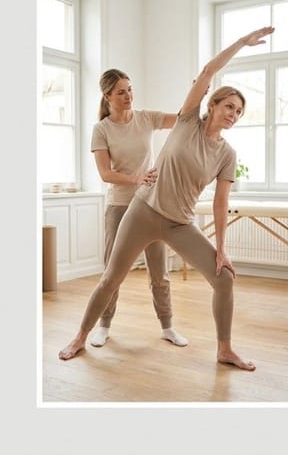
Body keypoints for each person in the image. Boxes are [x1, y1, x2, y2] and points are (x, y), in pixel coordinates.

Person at [58, 26, 276, 370]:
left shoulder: (227, 154)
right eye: (229, 106)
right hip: (142, 210)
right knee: (111, 277)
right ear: (212, 104)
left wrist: (222, 248)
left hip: (179, 222)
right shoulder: (187, 120)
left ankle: (224, 349)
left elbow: (221, 203)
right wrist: (241, 43)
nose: (233, 114)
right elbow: (207, 73)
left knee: (224, 277)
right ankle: (81, 337)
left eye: (239, 112)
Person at [88, 68, 186, 348]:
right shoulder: (102, 130)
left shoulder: (146, 118)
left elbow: (181, 119)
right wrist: (136, 178)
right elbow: (106, 174)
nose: (128, 95)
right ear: (107, 96)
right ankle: (103, 326)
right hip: (119, 205)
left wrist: (199, 91)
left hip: (151, 206)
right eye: (121, 91)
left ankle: (167, 326)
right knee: (112, 271)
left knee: (159, 271)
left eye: (130, 89)